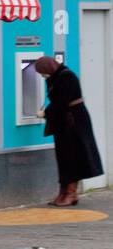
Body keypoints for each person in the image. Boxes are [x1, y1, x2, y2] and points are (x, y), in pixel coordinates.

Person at [36, 56, 104, 206]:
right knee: (63, 157)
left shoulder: (67, 77)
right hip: (65, 121)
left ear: (49, 68)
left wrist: (45, 113)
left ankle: (71, 194)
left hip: (74, 122)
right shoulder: (57, 76)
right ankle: (63, 193)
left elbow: (61, 102)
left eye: (42, 72)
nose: (42, 76)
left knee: (73, 157)